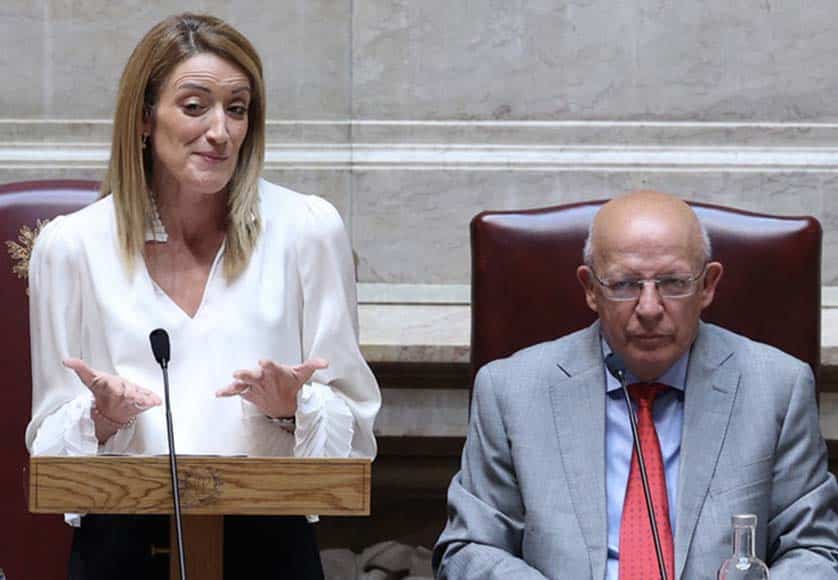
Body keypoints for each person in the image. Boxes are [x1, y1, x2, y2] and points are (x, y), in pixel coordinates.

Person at [24, 13, 380, 580]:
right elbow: (48, 449)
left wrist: (295, 407)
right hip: (122, 549)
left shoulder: (308, 230)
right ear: (144, 118)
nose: (220, 130)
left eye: (236, 109)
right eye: (195, 107)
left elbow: (355, 435)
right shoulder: (70, 247)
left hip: (268, 546)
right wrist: (102, 417)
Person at [433, 191, 838, 579]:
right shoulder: (510, 392)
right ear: (591, 289)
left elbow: (814, 551)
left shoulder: (777, 388)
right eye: (625, 285)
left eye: (674, 283)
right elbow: (470, 548)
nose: (648, 309)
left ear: (708, 285)